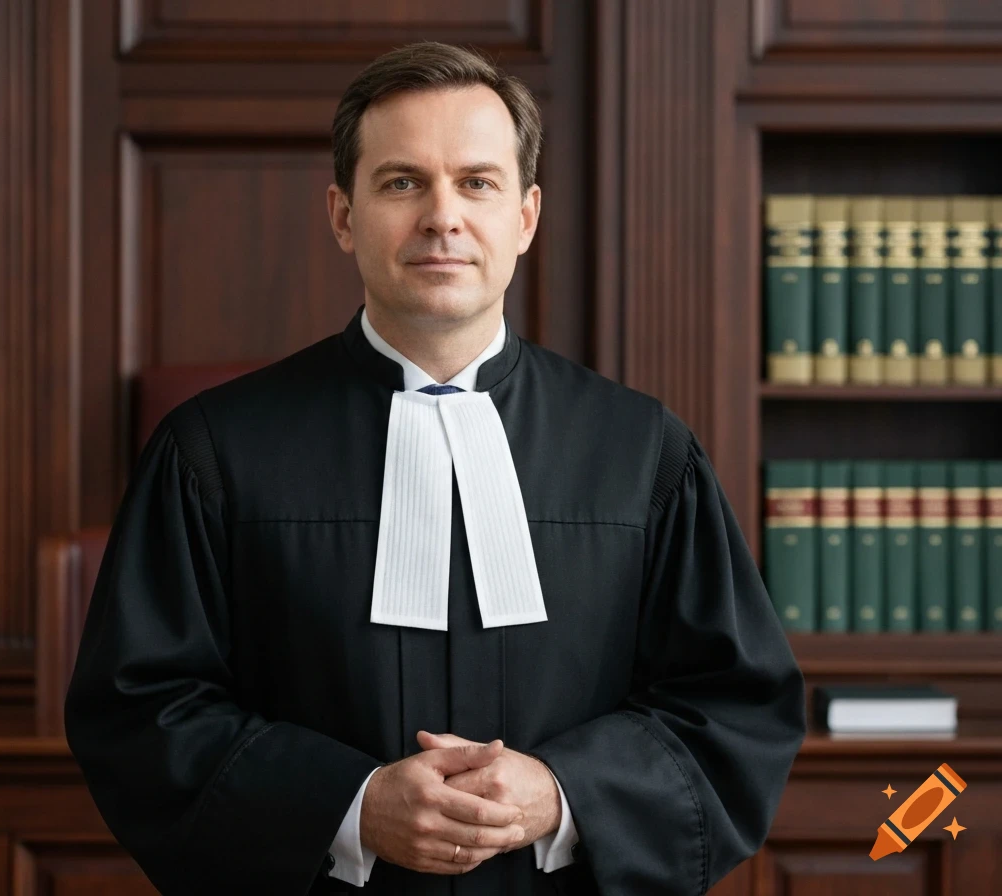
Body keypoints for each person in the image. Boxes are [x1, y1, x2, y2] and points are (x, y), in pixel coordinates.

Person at [64, 40, 806, 896]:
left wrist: (562, 796)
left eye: (477, 182)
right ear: (344, 215)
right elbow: (141, 711)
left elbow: (735, 708)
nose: (442, 216)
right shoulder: (212, 450)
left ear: (525, 217)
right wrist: (347, 805)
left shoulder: (642, 452)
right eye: (402, 181)